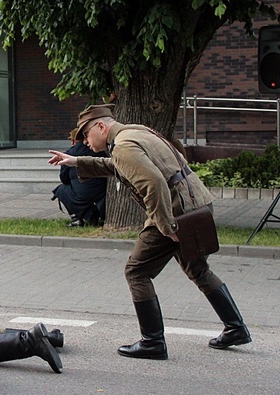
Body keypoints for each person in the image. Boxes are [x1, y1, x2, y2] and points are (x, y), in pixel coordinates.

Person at [47, 104, 252, 360]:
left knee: (137, 271)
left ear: (101, 126)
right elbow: (121, 166)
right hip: (196, 203)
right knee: (197, 269)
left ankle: (152, 341)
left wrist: (167, 226)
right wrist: (77, 161)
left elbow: (154, 184)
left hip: (175, 212)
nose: (85, 141)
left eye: (86, 134)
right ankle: (236, 328)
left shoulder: (123, 146)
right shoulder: (137, 131)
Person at [52, 128, 108, 227]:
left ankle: (76, 218)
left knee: (61, 189)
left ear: (73, 140)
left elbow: (64, 179)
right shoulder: (100, 151)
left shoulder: (68, 154)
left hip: (82, 193)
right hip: (101, 192)